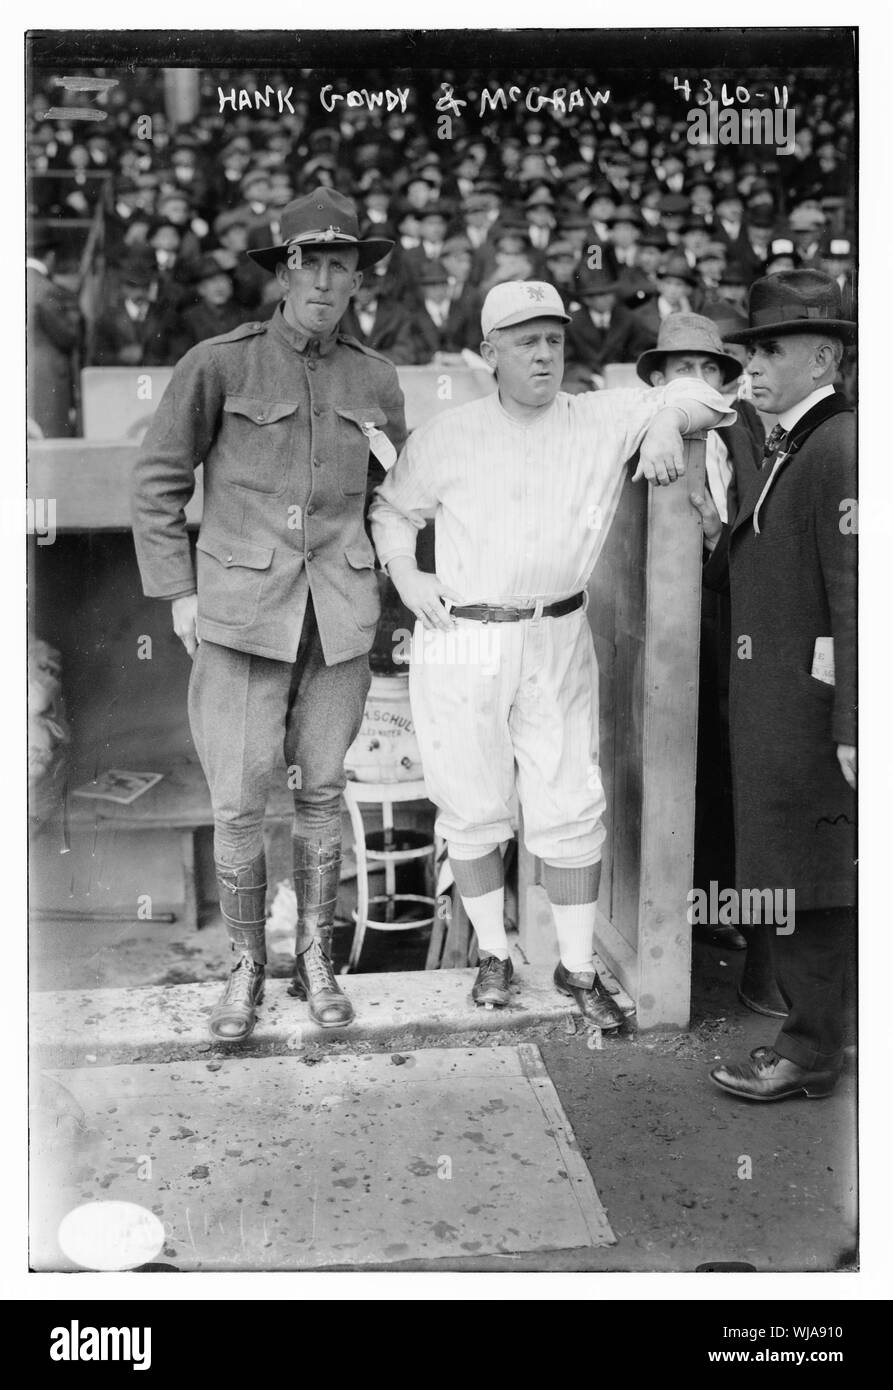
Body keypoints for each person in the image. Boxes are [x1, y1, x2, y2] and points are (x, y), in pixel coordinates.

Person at [369, 280, 734, 1025]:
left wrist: (664, 420)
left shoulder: (599, 416)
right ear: (488, 352)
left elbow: (708, 392)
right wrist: (407, 575)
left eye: (553, 340)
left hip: (557, 630)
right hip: (463, 633)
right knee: (471, 805)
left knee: (570, 800)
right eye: (524, 340)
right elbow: (391, 510)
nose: (542, 354)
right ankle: (495, 955)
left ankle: (573, 969)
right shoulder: (449, 432)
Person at [131, 188, 407, 1042]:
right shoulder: (219, 363)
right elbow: (156, 485)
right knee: (240, 800)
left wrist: (390, 599)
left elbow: (394, 498)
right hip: (244, 614)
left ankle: (315, 958)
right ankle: (247, 966)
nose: (327, 281)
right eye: (310, 263)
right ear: (283, 272)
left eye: (343, 265)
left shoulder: (376, 376)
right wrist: (180, 594)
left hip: (340, 616)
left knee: (321, 793)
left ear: (360, 278)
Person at [694, 270, 856, 1101]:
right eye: (747, 350)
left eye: (768, 351)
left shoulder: (838, 444)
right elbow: (743, 562)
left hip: (809, 712)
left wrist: (855, 723)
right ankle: (820, 1040)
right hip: (777, 708)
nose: (748, 366)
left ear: (822, 355)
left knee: (814, 883)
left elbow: (858, 591)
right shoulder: (787, 438)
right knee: (803, 875)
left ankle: (808, 1053)